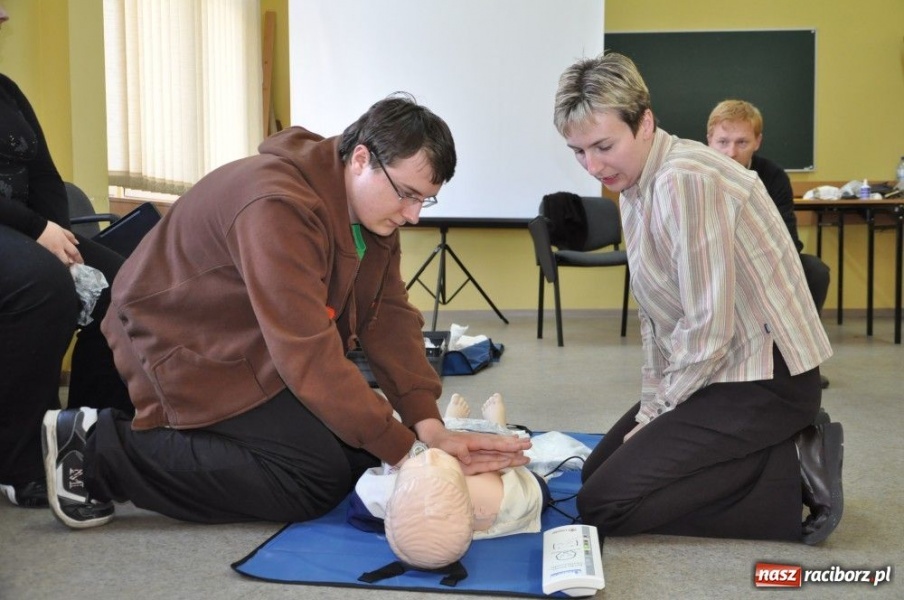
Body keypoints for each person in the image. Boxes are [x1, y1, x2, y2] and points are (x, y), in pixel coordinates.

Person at [40, 94, 531, 530]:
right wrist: (413, 455)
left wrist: (426, 423)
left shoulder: (370, 214)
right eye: (407, 194)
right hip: (175, 340)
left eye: (426, 200)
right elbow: (307, 355)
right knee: (314, 479)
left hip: (248, 339)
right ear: (361, 158)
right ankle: (98, 450)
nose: (414, 215)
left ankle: (120, 447)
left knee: (356, 453)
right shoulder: (277, 204)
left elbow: (389, 317)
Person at [553, 52, 843, 544]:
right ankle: (764, 453)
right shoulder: (635, 184)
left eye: (603, 145)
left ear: (645, 122)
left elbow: (707, 324)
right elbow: (657, 320)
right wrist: (651, 409)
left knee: (603, 506)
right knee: (594, 477)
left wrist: (659, 414)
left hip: (767, 379)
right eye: (578, 151)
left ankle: (789, 468)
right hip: (720, 369)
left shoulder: (684, 179)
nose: (592, 166)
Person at [0, 4, 128, 509]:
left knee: (128, 283)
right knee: (41, 284)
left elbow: (47, 177)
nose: (5, 16)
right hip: (16, 234)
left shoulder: (7, 90)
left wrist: (63, 241)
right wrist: (37, 232)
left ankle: (83, 440)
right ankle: (15, 461)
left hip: (25, 230)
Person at [706, 99, 832, 389]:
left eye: (742, 142)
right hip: (713, 260)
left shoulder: (773, 176)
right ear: (709, 140)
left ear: (758, 142)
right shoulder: (695, 174)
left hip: (764, 259)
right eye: (722, 141)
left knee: (814, 270)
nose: (731, 152)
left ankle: (798, 362)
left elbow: (788, 238)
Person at [349, 393, 549, 569]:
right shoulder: (495, 503)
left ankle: (447, 421)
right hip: (485, 458)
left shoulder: (383, 496)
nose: (430, 457)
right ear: (478, 515)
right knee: (500, 453)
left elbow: (362, 503)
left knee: (413, 437)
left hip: (420, 447)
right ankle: (496, 423)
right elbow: (535, 491)